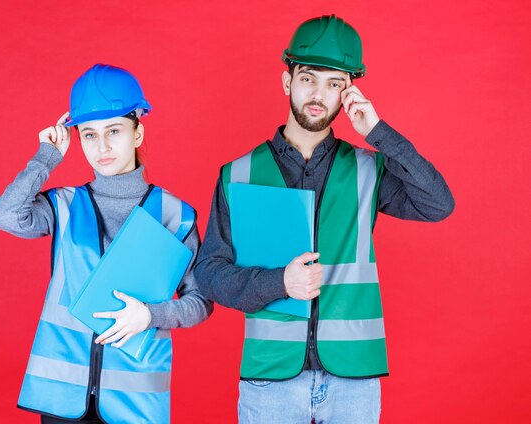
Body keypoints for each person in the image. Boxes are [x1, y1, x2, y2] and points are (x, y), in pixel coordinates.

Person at [193, 15, 454, 423]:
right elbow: (209, 274)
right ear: (287, 82)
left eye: (334, 84)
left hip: (354, 378)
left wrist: (379, 132)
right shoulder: (238, 174)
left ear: (348, 94)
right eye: (309, 78)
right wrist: (278, 282)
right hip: (270, 380)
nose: (319, 94)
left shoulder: (370, 168)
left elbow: (438, 204)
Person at [0, 64, 213, 423]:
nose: (103, 146)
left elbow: (201, 300)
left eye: (114, 130)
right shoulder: (63, 205)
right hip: (63, 398)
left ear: (138, 132)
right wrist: (46, 157)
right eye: (89, 135)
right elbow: (5, 216)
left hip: (135, 403)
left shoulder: (176, 215)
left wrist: (151, 316)